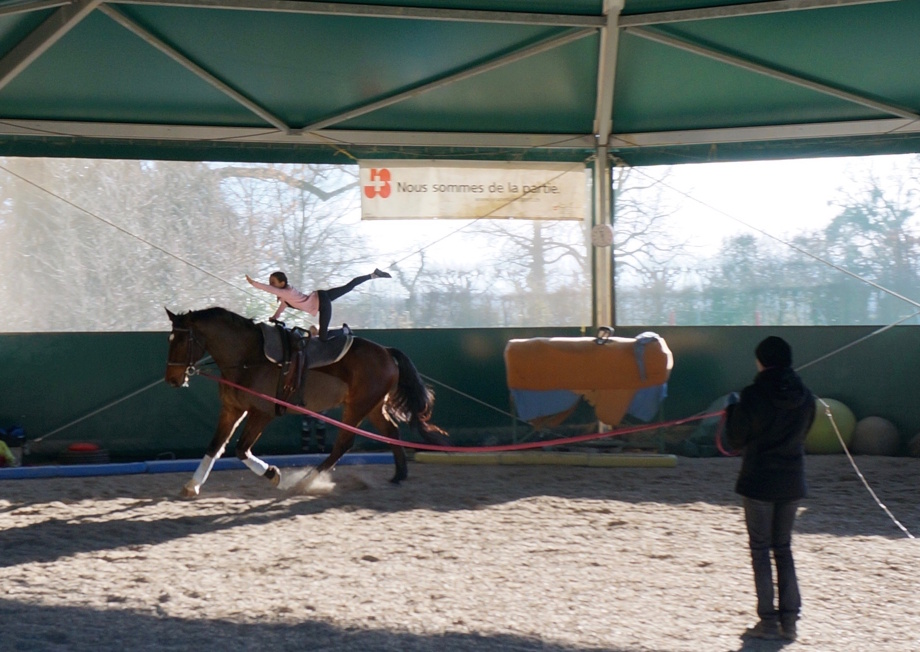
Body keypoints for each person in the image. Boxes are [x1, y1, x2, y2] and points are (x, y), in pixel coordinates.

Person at [724, 335, 816, 642]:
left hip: (759, 481)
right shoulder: (805, 395)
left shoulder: (751, 395)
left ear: (762, 361)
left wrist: (731, 411)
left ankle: (767, 619)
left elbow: (735, 440)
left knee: (760, 550)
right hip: (792, 481)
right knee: (783, 548)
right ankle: (790, 620)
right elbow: (805, 433)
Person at [245, 268, 391, 340]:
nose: (271, 285)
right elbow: (282, 306)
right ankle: (373, 275)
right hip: (321, 296)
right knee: (348, 287)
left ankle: (344, 331)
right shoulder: (284, 296)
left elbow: (268, 289)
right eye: (270, 282)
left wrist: (254, 283)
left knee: (323, 338)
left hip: (322, 303)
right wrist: (275, 317)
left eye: (273, 283)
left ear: (282, 283)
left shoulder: (287, 292)